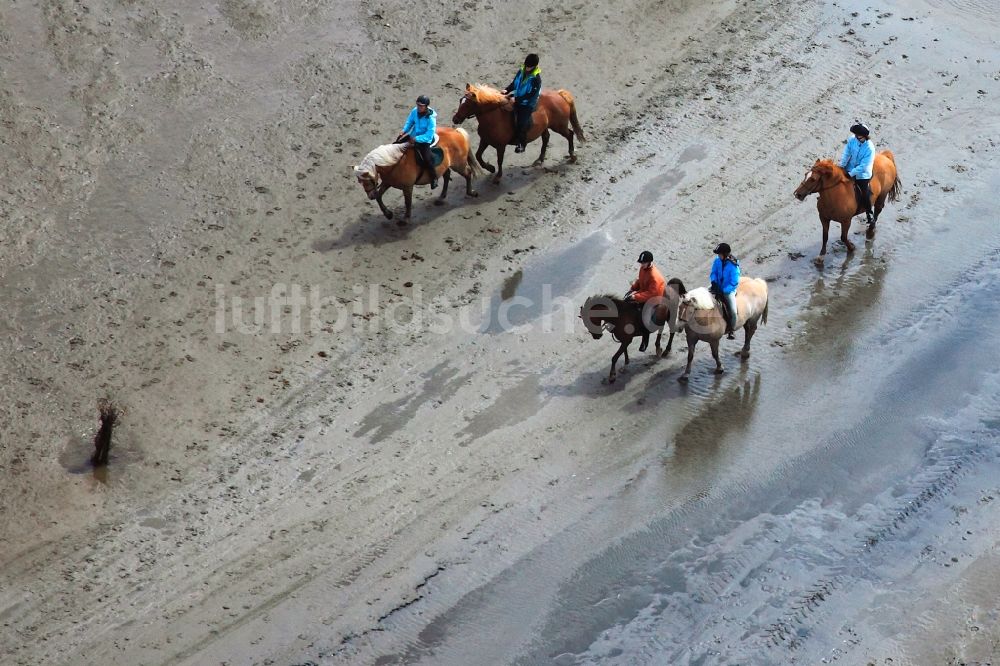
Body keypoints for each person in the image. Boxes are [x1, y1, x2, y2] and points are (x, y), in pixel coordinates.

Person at [626, 250, 666, 351]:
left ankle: (645, 340)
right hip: (645, 292)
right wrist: (633, 288)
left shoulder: (654, 275)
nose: (641, 264)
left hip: (654, 297)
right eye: (641, 262)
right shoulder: (643, 268)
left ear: (649, 262)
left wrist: (635, 297)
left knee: (644, 316)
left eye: (643, 262)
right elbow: (640, 280)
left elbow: (651, 293)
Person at [502, 53, 542, 153]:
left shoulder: (536, 79)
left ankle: (521, 144)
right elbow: (514, 83)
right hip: (517, 96)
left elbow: (531, 95)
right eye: (526, 66)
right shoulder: (521, 71)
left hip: (527, 103)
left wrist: (517, 99)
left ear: (534, 66)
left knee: (521, 122)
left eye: (529, 67)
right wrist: (506, 90)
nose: (527, 68)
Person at [397, 95, 438, 188]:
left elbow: (429, 135)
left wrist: (416, 139)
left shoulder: (431, 119)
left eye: (421, 106)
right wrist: (404, 131)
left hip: (424, 141)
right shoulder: (414, 111)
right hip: (413, 136)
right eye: (418, 105)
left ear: (426, 106)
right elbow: (410, 122)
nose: (419, 107)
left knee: (428, 159)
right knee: (396, 144)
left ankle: (434, 178)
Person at [839, 122, 876, 224]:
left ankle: (869, 213)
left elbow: (863, 166)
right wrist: (841, 166)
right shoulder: (852, 139)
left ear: (865, 137)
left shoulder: (870, 148)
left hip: (862, 173)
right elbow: (846, 152)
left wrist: (850, 174)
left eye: (858, 137)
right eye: (855, 136)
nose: (856, 138)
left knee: (865, 192)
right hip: (849, 167)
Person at [709, 243, 741, 340]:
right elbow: (713, 272)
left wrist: (723, 291)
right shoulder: (717, 261)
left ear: (725, 254)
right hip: (716, 287)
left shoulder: (733, 266)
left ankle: (731, 330)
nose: (718, 256)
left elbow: (734, 282)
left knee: (733, 311)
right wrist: (713, 281)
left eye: (720, 254)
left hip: (728, 291)